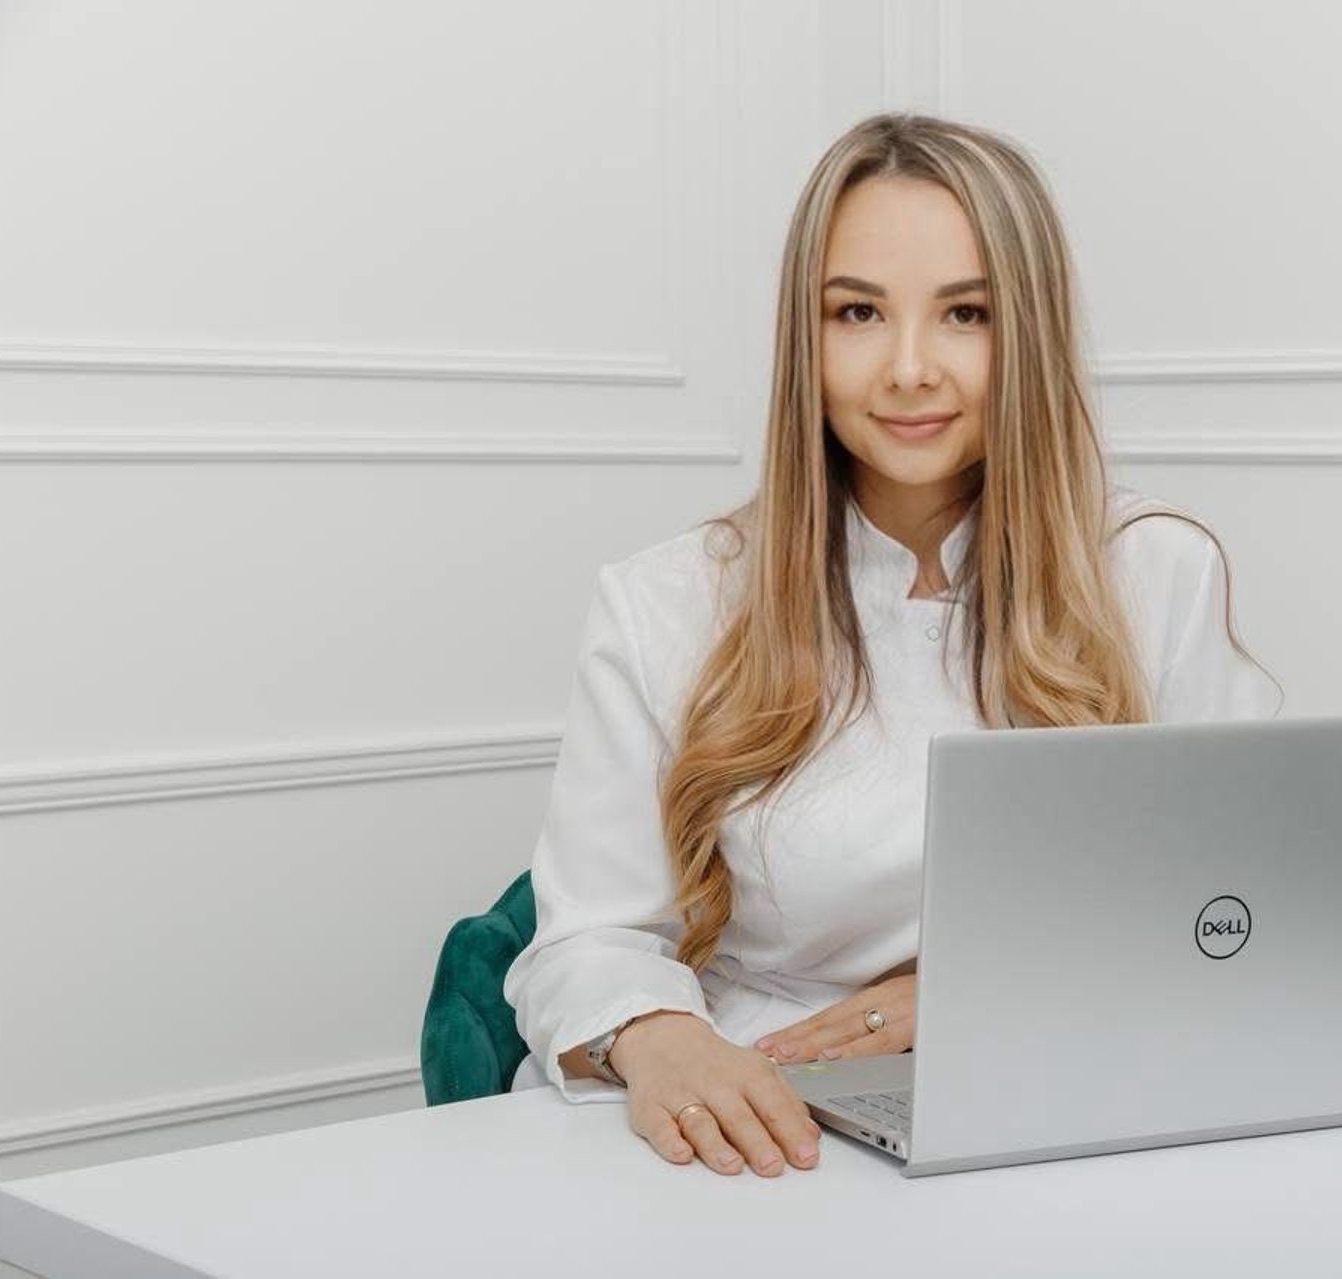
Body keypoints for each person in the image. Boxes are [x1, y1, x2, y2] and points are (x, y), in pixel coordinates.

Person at [501, 111, 1284, 1177]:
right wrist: (656, 1036)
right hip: (762, 1121)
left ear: (1031, 336)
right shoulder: (670, 600)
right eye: (858, 312)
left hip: (1063, 1096)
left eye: (966, 314)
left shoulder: (1151, 571)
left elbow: (1235, 903)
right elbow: (585, 940)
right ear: (805, 338)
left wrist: (968, 992)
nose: (909, 368)